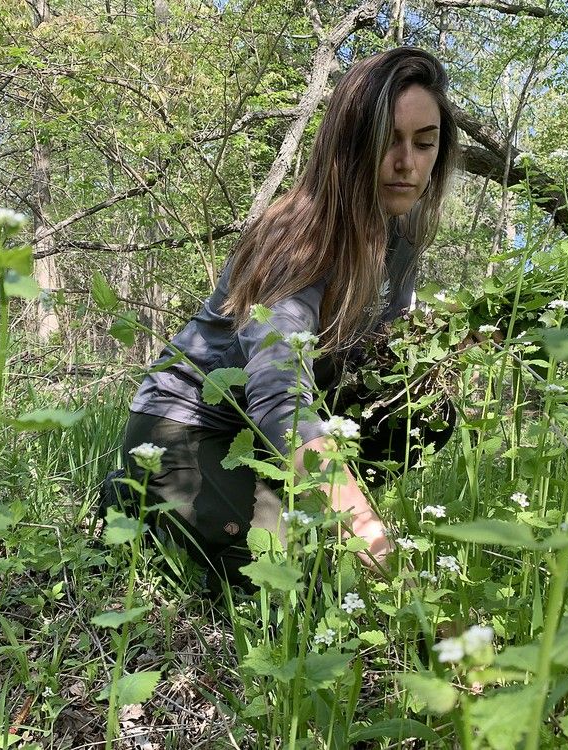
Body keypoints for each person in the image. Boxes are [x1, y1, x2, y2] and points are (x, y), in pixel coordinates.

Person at [117, 47, 459, 591]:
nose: (407, 163)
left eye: (424, 143)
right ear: (350, 145)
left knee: (429, 409)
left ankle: (308, 507)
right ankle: (135, 498)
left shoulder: (401, 233)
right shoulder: (298, 240)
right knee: (289, 580)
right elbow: (280, 398)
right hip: (191, 426)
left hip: (268, 432)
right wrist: (379, 548)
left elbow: (378, 351)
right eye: (387, 140)